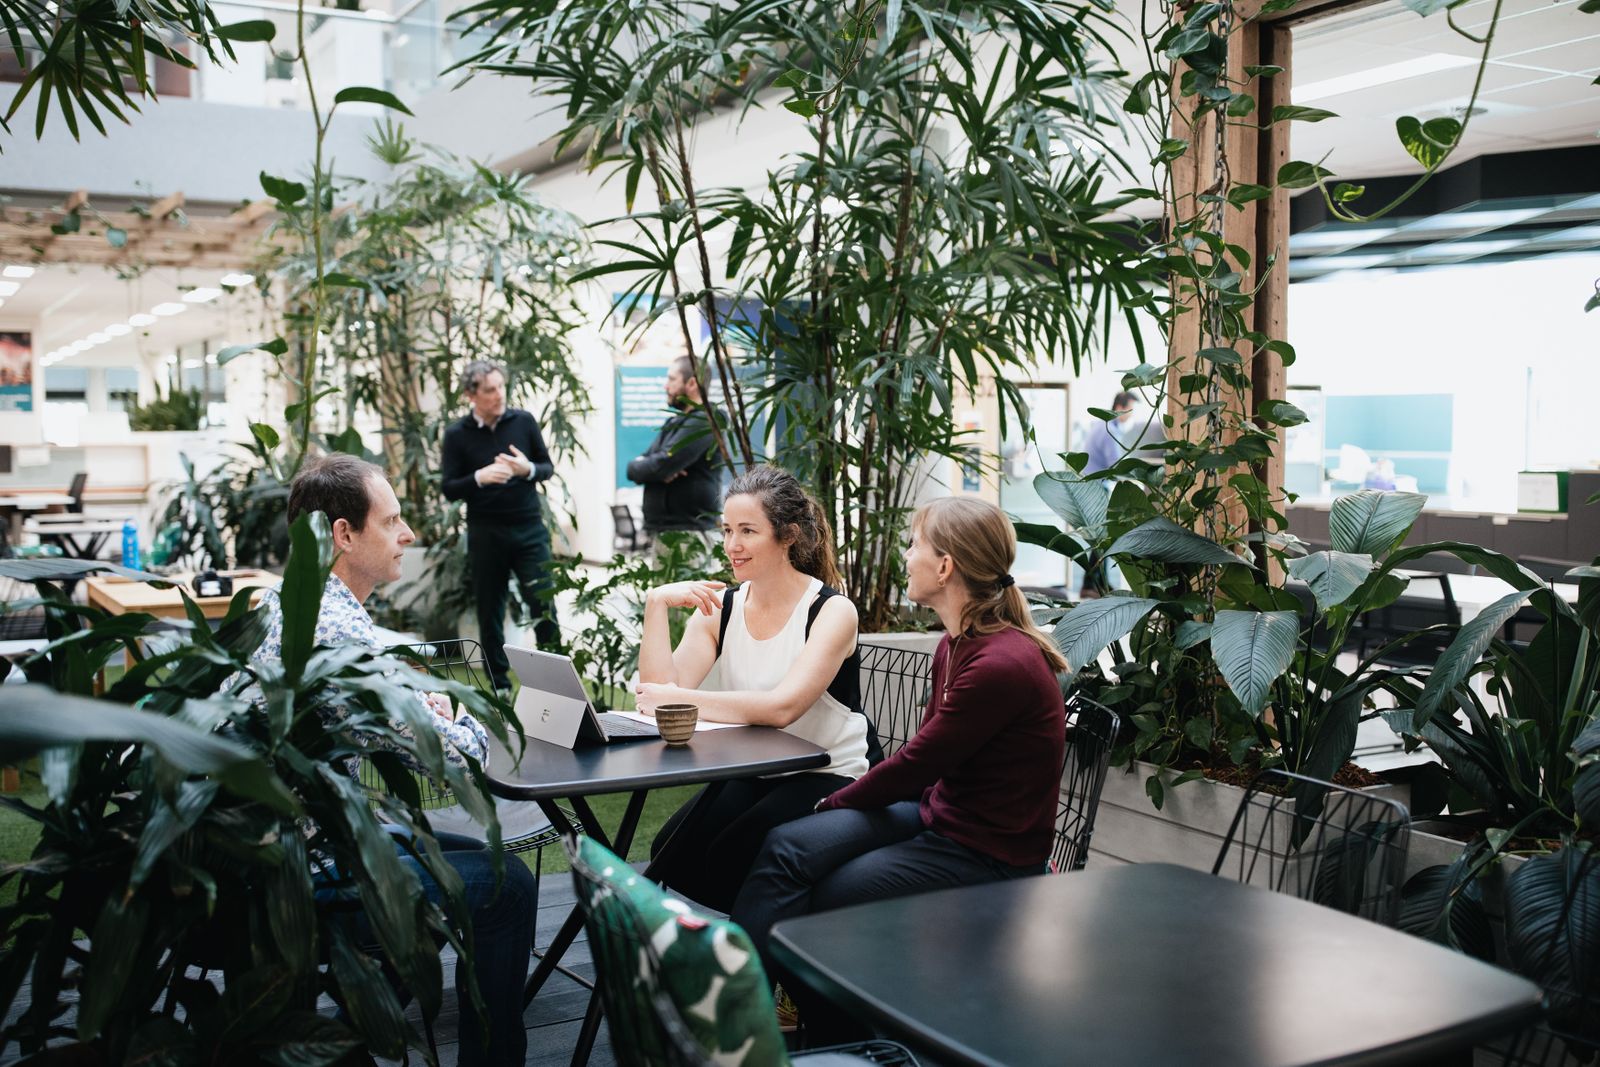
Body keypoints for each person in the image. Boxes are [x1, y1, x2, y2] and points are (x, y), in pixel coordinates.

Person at [730, 496, 1068, 1040]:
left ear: (945, 566)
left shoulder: (1001, 663)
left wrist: (835, 800)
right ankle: (742, 1012)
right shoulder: (954, 645)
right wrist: (842, 806)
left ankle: (827, 1036)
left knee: (828, 894)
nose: (904, 556)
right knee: (787, 845)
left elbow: (916, 762)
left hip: (987, 854)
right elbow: (925, 768)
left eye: (914, 545)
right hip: (939, 817)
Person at [249, 453, 536, 1067]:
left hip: (292, 842)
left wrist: (412, 697)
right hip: (312, 866)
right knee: (508, 886)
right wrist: (456, 717)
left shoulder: (292, 603)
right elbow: (453, 758)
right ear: (344, 535)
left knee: (454, 852)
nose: (408, 535)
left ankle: (360, 1026)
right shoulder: (339, 635)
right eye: (393, 521)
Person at [632, 465, 871, 913]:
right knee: (671, 851)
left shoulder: (832, 611)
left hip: (826, 771)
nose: (732, 546)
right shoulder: (721, 607)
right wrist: (656, 605)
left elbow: (783, 708)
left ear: (788, 536)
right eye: (726, 530)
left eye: (747, 531)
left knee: (731, 854)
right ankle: (767, 927)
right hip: (758, 767)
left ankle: (773, 947)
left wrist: (679, 700)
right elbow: (658, 696)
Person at [441, 359, 560, 691]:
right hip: (485, 531)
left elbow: (546, 467)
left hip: (529, 528)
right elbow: (449, 488)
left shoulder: (523, 421)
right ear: (471, 395)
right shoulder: (456, 435)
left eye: (501, 387)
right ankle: (499, 682)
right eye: (490, 390)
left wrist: (527, 470)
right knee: (489, 606)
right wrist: (479, 477)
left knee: (543, 602)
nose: (498, 395)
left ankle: (557, 680)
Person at [625, 355, 723, 552]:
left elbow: (661, 465)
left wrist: (657, 467)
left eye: (671, 379)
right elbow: (636, 468)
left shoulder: (705, 420)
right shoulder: (673, 423)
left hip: (689, 534)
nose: (665, 386)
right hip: (667, 532)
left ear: (692, 383)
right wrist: (653, 467)